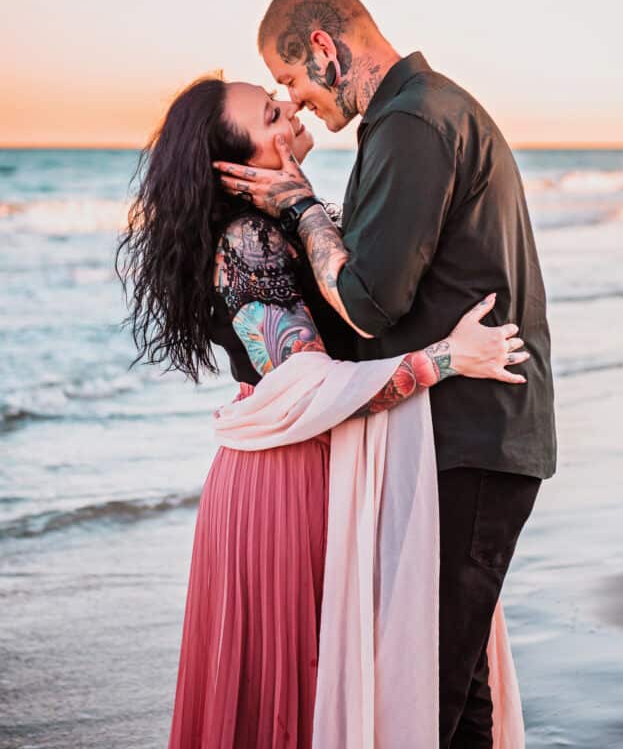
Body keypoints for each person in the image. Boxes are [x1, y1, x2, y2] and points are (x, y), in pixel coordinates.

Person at [117, 75, 531, 749]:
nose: (292, 111)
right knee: (298, 690)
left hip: (314, 468)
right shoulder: (247, 238)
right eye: (270, 114)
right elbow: (309, 390)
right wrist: (448, 358)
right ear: (231, 161)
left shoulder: (283, 222)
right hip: (283, 483)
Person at [214, 0, 557, 748]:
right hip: (472, 435)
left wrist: (300, 207)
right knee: (456, 685)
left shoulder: (411, 121)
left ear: (325, 49)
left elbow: (369, 300)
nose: (298, 101)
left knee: (426, 692)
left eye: (293, 79)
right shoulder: (426, 111)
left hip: (469, 437)